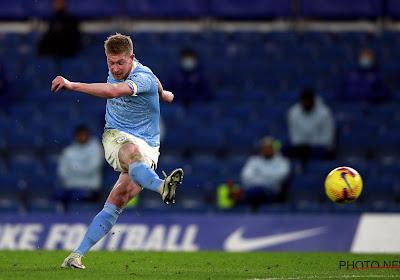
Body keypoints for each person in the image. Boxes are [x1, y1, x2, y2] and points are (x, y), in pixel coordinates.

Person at [51, 33, 184, 269]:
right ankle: (162, 186)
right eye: (110, 63)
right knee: (132, 153)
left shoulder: (141, 76)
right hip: (116, 135)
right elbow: (154, 81)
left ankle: (75, 256)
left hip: (150, 145)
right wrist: (163, 94)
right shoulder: (129, 71)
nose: (115, 68)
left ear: (131, 58)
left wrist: (72, 85)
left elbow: (120, 90)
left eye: (120, 62)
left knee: (117, 201)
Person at [56, 125, 104, 211]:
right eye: (80, 135)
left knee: (78, 196)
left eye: (84, 135)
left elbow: (91, 169)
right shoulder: (69, 151)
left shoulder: (96, 149)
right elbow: (62, 171)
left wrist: (73, 169)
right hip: (70, 187)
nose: (82, 137)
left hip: (90, 188)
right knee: (57, 195)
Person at [286, 88, 335, 168]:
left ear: (313, 100)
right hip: (301, 147)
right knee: (286, 150)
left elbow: (328, 138)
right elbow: (294, 137)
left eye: (309, 100)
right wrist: (303, 146)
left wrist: (311, 146)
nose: (307, 103)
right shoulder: (293, 112)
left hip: (320, 147)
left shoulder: (325, 113)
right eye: (305, 101)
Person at [240, 137, 291, 212]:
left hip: (272, 191)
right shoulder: (253, 160)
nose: (267, 150)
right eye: (264, 148)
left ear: (274, 148)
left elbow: (281, 177)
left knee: (257, 191)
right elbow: (245, 176)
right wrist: (268, 176)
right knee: (255, 190)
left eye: (269, 147)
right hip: (253, 188)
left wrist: (259, 175)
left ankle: (242, 197)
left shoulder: (283, 161)